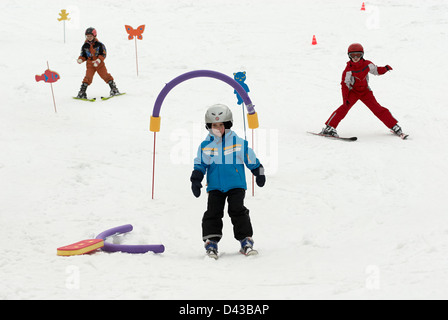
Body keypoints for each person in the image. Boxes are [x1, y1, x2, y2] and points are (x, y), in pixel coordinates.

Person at [190, 104, 266, 259]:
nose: (217, 128)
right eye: (214, 125)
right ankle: (211, 243)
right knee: (213, 212)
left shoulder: (238, 143)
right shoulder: (205, 146)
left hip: (236, 185)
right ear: (209, 127)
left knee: (237, 210)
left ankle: (246, 240)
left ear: (228, 124)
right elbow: (200, 164)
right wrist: (196, 179)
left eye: (221, 125)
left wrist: (259, 172)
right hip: (215, 186)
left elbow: (251, 158)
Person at [321, 43, 405, 138]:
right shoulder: (348, 70)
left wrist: (385, 69)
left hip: (365, 92)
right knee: (344, 107)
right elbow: (344, 85)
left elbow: (376, 70)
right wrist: (345, 99)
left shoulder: (367, 64)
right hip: (353, 92)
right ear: (349, 56)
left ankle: (393, 125)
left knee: (377, 108)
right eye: (353, 55)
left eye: (358, 55)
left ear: (362, 55)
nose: (356, 57)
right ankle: (329, 127)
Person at [76, 27, 120, 99]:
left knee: (105, 75)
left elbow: (103, 53)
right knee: (88, 77)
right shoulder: (85, 46)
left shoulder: (99, 45)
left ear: (94, 36)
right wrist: (81, 59)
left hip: (99, 64)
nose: (89, 38)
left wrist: (99, 60)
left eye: (90, 36)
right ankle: (82, 92)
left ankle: (114, 89)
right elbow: (83, 55)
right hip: (90, 64)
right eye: (87, 36)